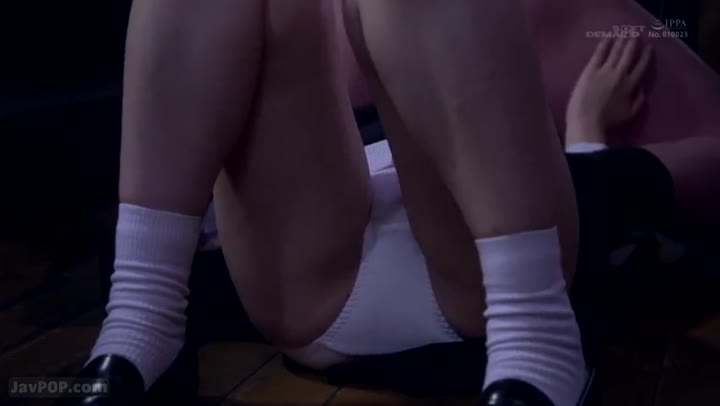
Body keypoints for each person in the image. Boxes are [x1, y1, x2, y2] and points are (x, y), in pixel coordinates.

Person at [65, 1, 694, 406]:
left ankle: (535, 336)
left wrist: (585, 137)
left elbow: (645, 189)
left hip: (494, 270)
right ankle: (140, 322)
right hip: (320, 271)